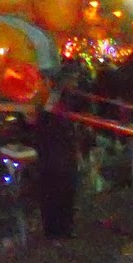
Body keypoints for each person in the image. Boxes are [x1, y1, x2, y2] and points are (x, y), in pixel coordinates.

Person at [34, 88, 79, 240]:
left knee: (59, 195)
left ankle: (60, 228)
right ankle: (58, 229)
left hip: (56, 161)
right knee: (56, 195)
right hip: (56, 162)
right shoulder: (50, 116)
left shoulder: (52, 115)